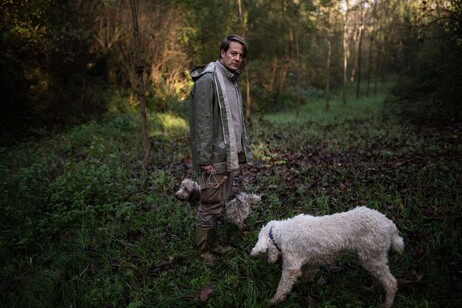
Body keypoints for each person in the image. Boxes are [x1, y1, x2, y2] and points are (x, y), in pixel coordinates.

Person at [189, 34, 253, 266]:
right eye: (233, 53)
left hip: (228, 154)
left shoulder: (230, 80)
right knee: (209, 203)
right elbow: (203, 122)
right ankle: (203, 251)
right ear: (222, 53)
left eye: (241, 55)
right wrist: (204, 158)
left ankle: (213, 244)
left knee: (219, 201)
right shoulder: (208, 79)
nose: (237, 58)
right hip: (213, 157)